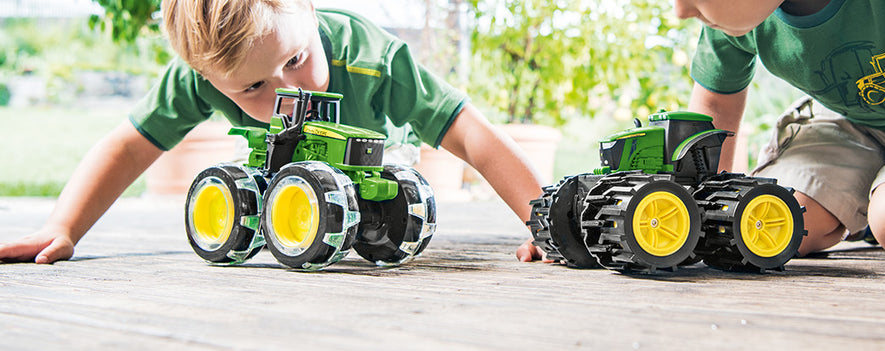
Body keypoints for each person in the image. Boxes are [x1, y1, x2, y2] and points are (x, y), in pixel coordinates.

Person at [518, 0, 885, 283]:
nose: (680, 10)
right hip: (852, 119)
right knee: (775, 226)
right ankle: (881, 188)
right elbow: (710, 122)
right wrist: (605, 230)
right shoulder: (733, 19)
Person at [0, 0, 543, 264]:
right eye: (254, 87)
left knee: (394, 194)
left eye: (298, 58)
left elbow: (470, 133)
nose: (288, 89)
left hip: (376, 170)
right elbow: (128, 145)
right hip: (284, 177)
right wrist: (63, 225)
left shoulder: (373, 58)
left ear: (307, 9)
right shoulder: (205, 76)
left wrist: (543, 224)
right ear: (210, 80)